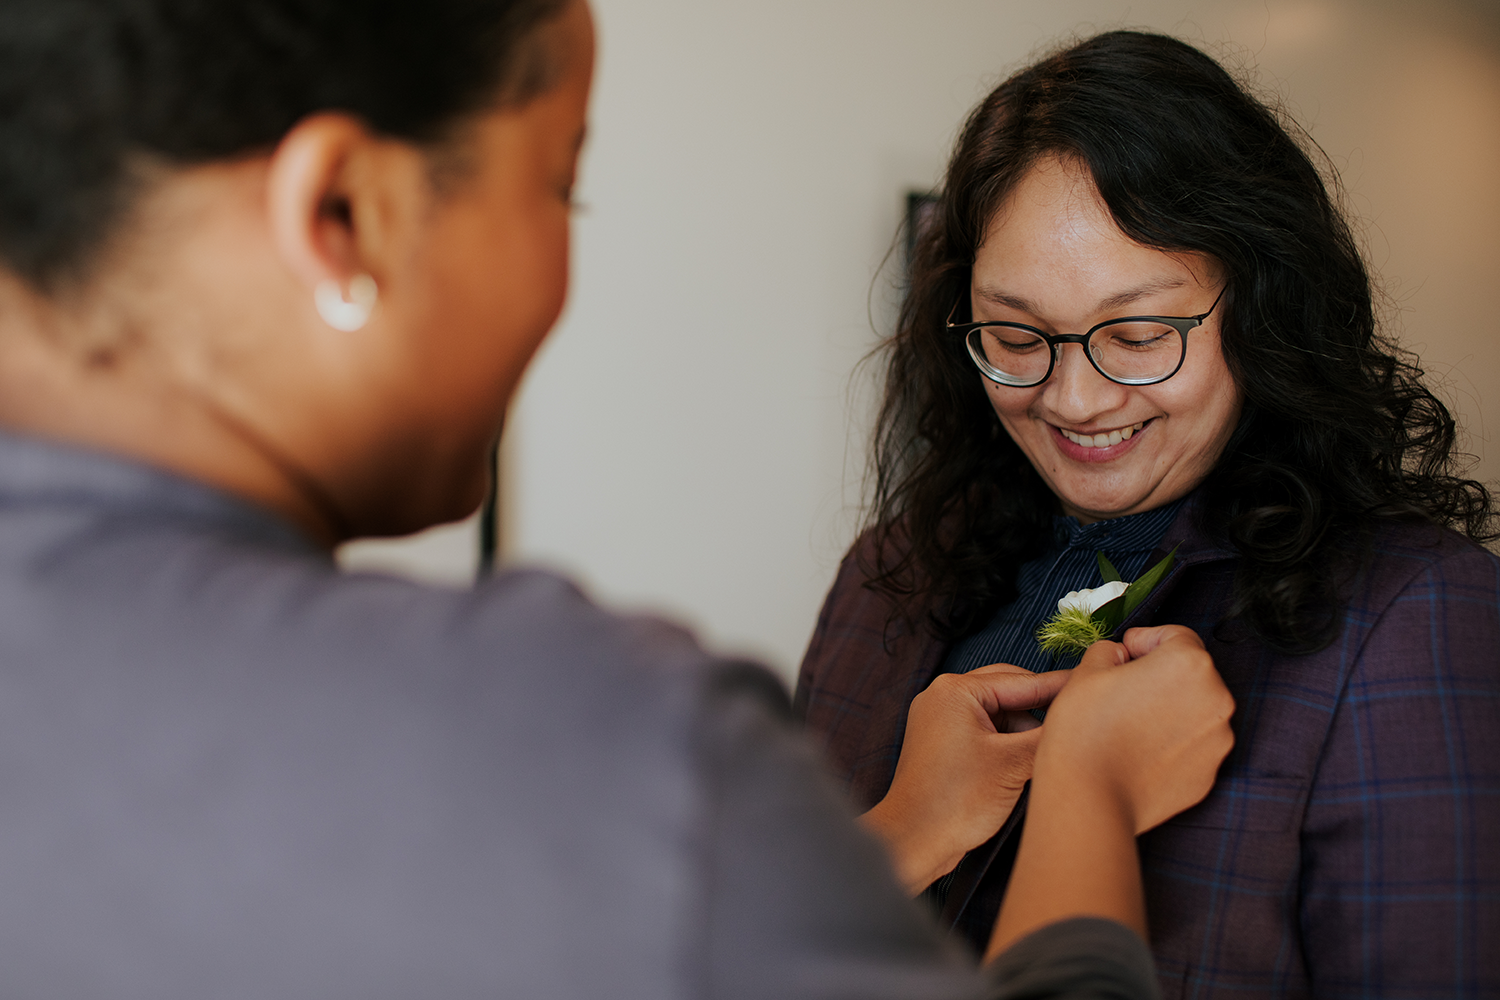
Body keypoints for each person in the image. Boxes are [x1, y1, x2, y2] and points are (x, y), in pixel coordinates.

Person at [0, 3, 1239, 997]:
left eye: (1134, 330)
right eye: (559, 183)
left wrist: (905, 822)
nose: (1076, 391)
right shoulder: (599, 740)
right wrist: (1089, 795)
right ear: (346, 215)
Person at [795, 28, 1500, 999]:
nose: (1075, 400)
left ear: (1261, 307)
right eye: (1015, 332)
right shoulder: (892, 577)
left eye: (1135, 334)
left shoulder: (1411, 618)